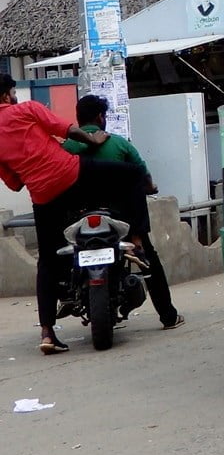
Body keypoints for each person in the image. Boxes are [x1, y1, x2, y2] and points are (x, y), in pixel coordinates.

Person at [0, 75, 151, 355]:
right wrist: (93, 140)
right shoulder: (27, 109)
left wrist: (28, 163)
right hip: (72, 175)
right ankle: (138, 241)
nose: (14, 96)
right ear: (7, 96)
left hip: (44, 196)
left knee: (47, 261)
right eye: (12, 92)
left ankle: (47, 332)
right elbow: (68, 130)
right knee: (133, 175)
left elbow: (14, 182)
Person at [62, 95, 181, 331]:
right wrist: (149, 188)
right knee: (149, 260)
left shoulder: (66, 147)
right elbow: (143, 176)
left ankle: (60, 297)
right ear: (100, 117)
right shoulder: (119, 144)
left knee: (57, 258)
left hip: (77, 218)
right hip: (121, 220)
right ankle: (168, 316)